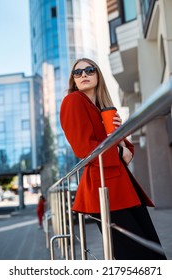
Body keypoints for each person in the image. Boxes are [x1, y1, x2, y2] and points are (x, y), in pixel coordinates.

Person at [60, 58, 166, 260]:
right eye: (78, 72)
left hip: (121, 187)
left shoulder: (103, 108)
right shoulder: (72, 101)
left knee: (152, 252)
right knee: (137, 256)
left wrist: (117, 132)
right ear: (73, 80)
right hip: (104, 189)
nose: (84, 75)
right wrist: (119, 152)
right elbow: (84, 148)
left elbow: (127, 149)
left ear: (98, 75)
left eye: (89, 70)